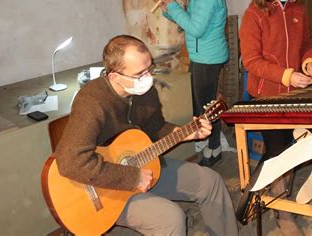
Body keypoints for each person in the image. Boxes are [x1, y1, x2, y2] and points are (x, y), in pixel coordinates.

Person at [55, 35, 238, 235]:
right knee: (171, 219)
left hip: (144, 165)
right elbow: (70, 162)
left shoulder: (146, 91)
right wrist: (132, 177)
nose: (147, 77)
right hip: (104, 188)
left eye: (149, 68)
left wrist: (187, 133)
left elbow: (156, 128)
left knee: (211, 182)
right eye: (139, 73)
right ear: (115, 76)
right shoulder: (92, 101)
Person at [239, 0, 312, 235]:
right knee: (279, 150)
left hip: (296, 92)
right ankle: (282, 209)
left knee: (298, 145)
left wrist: (309, 62)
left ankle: (267, 181)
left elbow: (306, 44)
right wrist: (286, 75)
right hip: (265, 96)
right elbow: (251, 62)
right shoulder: (254, 15)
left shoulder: (298, 8)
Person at [152, 0, 229, 167]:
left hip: (209, 57)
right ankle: (209, 146)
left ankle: (214, 150)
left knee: (207, 109)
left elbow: (196, 27)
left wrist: (173, 5)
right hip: (202, 54)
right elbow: (190, 20)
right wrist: (167, 7)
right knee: (202, 106)